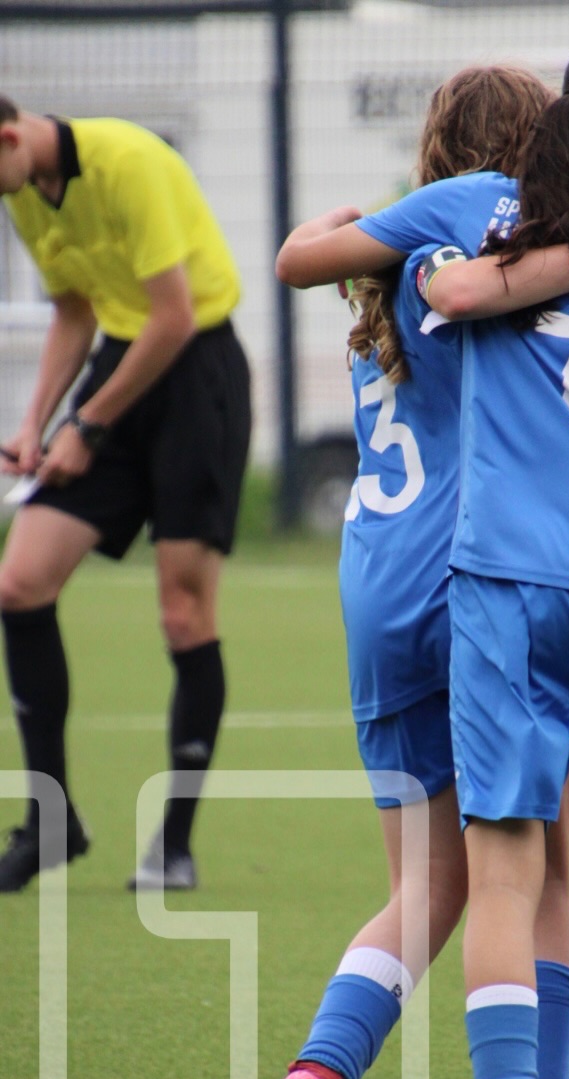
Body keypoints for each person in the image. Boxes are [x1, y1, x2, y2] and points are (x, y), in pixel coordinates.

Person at [265, 64, 569, 1079]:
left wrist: (332, 223)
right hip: (487, 572)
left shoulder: (402, 259)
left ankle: (327, 1073)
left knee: (432, 880)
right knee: (535, 865)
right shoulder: (506, 241)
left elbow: (311, 262)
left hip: (378, 585)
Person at [0, 96, 251, 894]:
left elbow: (172, 318)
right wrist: (35, 424)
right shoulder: (24, 187)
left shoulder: (128, 162)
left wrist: (88, 426)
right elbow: (75, 312)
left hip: (197, 378)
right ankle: (50, 820)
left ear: (9, 136)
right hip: (121, 370)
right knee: (19, 583)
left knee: (183, 613)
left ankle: (174, 844)